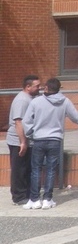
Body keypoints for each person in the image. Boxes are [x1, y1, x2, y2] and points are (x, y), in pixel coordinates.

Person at [21, 77, 78, 210]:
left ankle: (34, 199)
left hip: (39, 139)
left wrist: (31, 134)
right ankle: (47, 199)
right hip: (55, 140)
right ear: (58, 89)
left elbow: (26, 121)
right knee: (51, 170)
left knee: (36, 169)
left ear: (46, 88)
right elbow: (75, 116)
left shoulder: (36, 102)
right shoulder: (65, 101)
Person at [6, 75, 41, 206]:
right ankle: (19, 197)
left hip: (27, 140)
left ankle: (26, 194)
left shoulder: (31, 98)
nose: (39, 88)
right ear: (28, 87)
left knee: (26, 168)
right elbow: (18, 122)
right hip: (18, 141)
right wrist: (23, 142)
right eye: (37, 86)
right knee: (19, 170)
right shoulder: (22, 100)